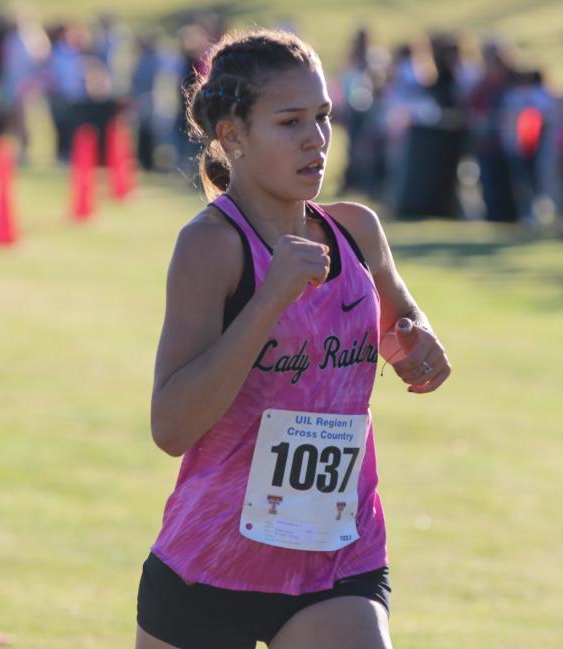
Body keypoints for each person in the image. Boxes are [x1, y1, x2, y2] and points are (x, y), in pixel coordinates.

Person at [136, 28, 451, 649]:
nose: (317, 140)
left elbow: (411, 336)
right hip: (211, 565)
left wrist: (422, 351)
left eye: (323, 117)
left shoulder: (358, 231)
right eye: (289, 122)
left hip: (337, 559)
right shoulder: (211, 246)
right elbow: (171, 428)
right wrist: (271, 297)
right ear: (233, 136)